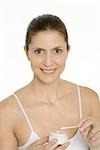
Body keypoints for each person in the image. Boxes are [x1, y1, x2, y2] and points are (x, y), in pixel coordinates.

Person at [0, 14, 100, 150]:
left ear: (67, 51)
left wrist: (96, 147)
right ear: (27, 52)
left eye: (57, 51)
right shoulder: (7, 112)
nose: (48, 62)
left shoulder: (89, 100)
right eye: (39, 51)